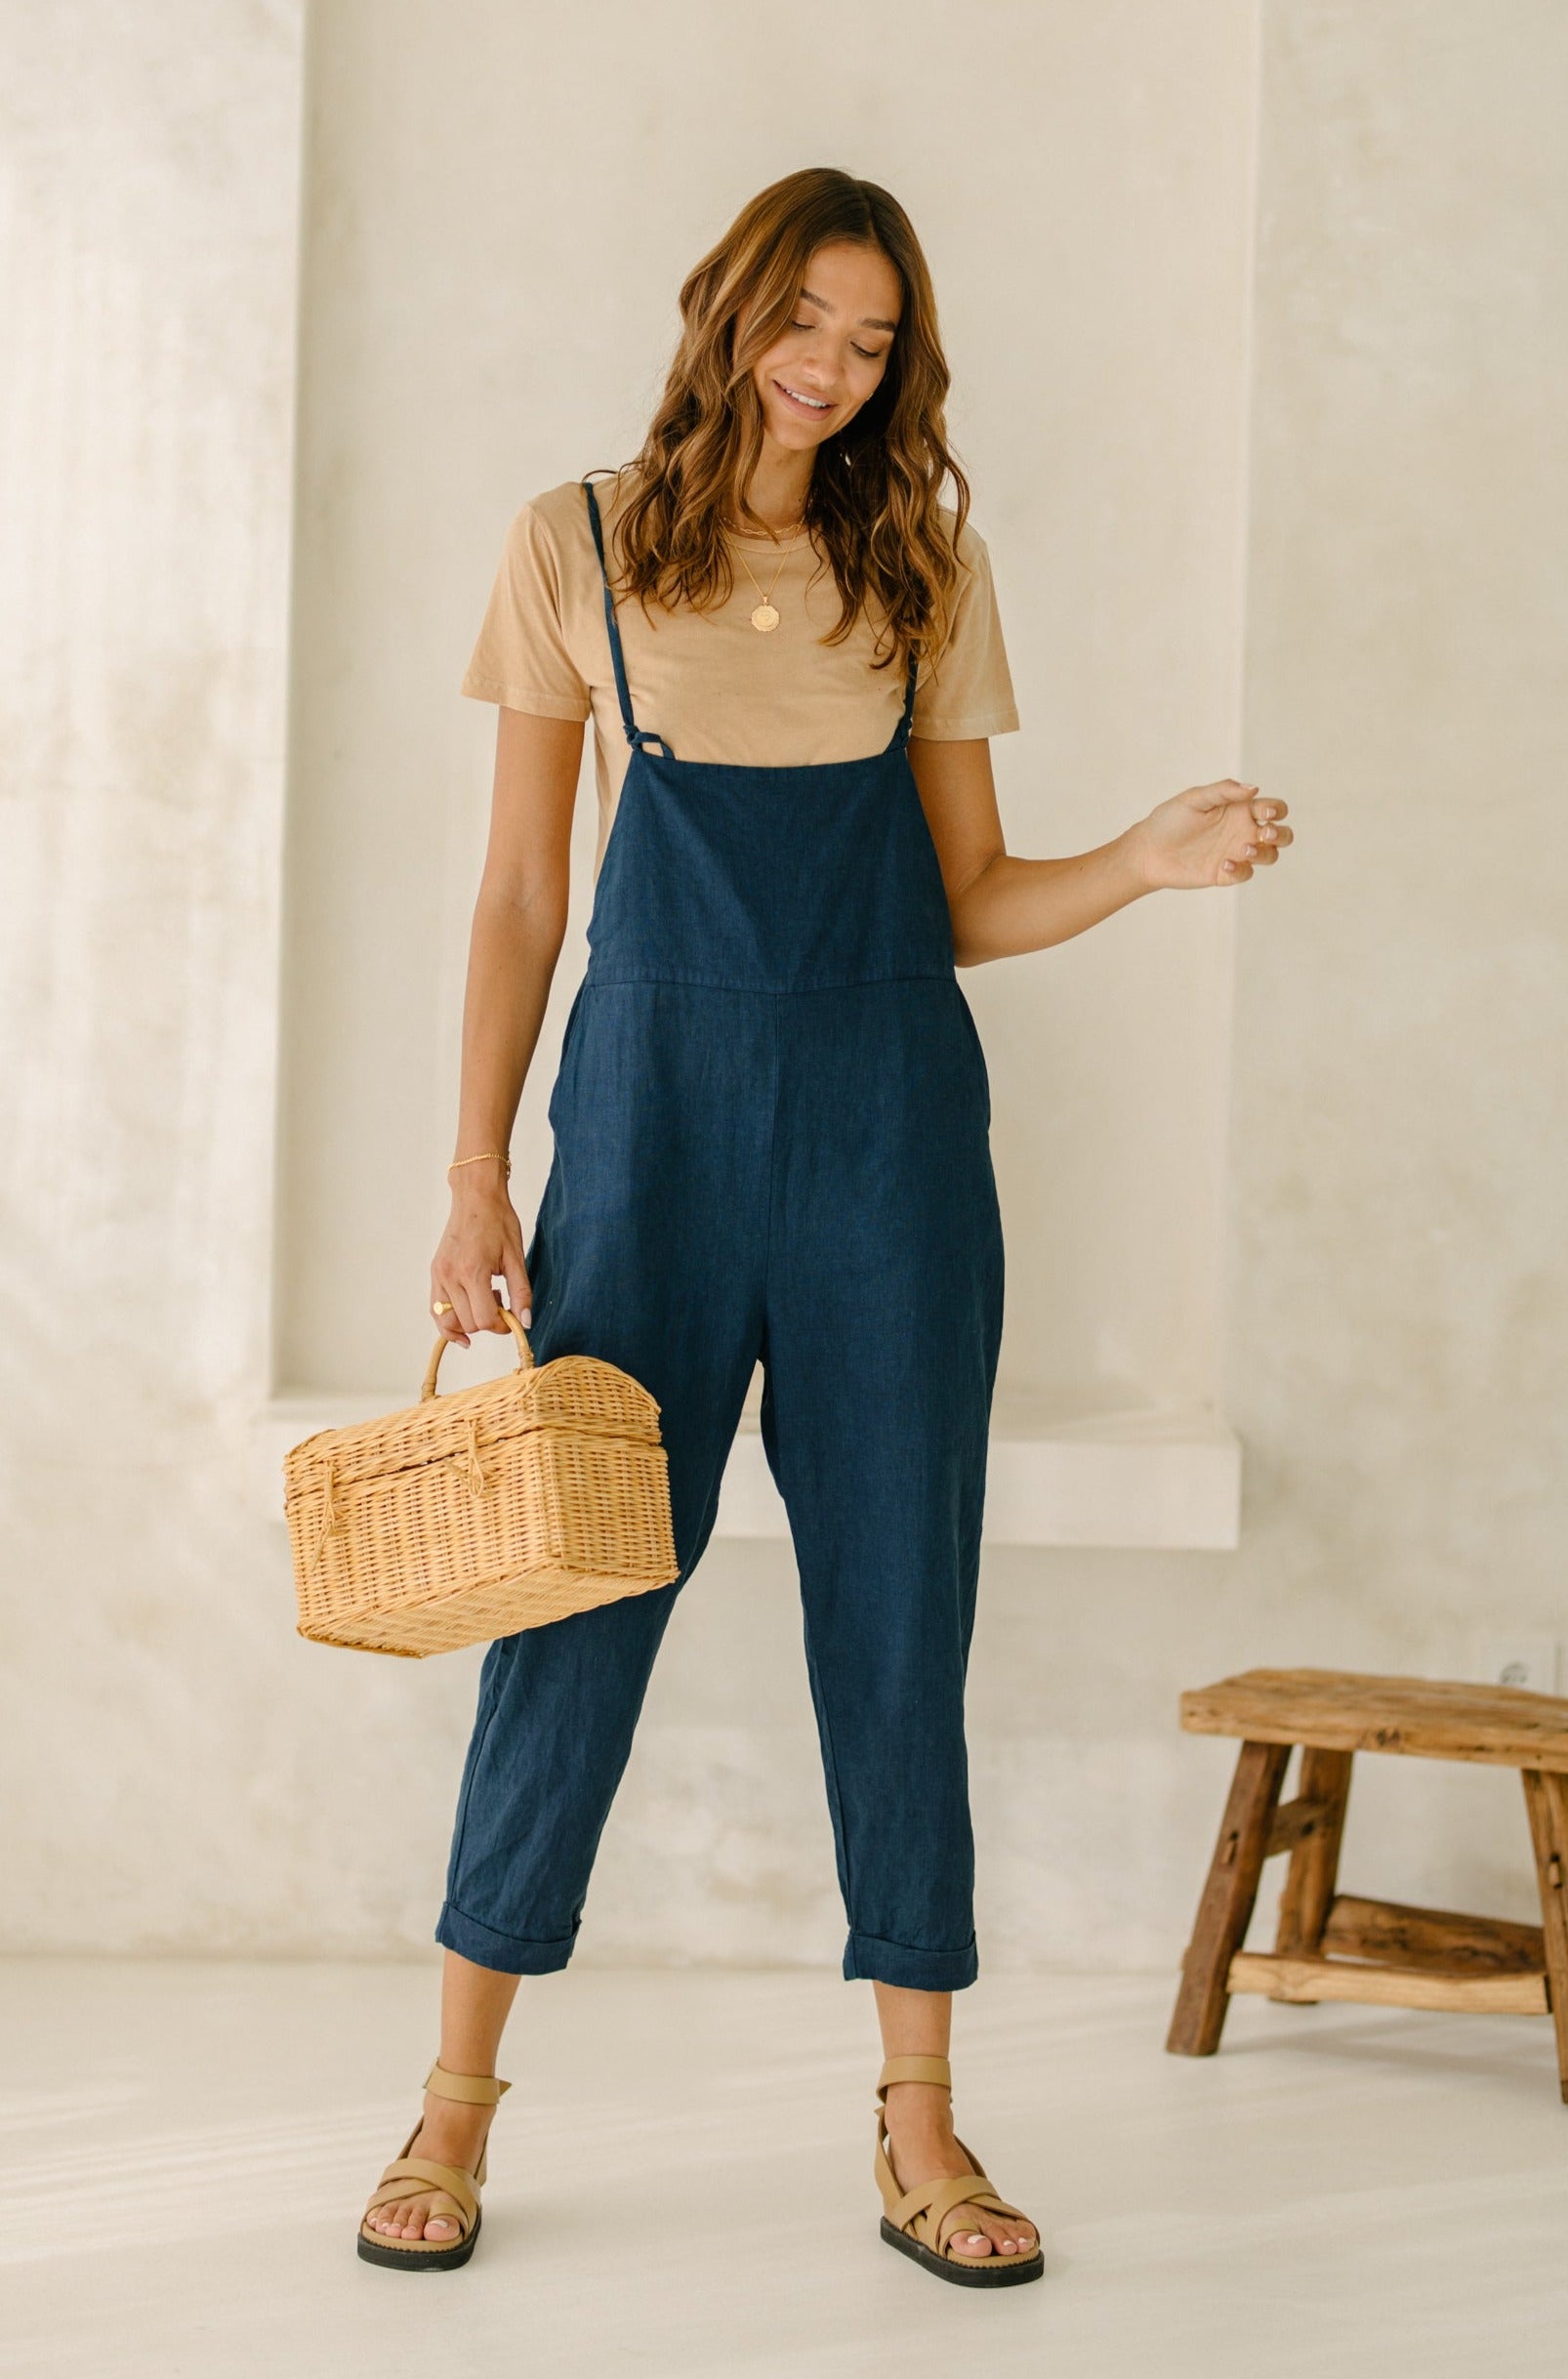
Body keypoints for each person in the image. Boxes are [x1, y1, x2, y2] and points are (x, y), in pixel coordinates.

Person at [356, 166, 1291, 2286]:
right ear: (729, 308)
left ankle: (917, 2126)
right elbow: (523, 891)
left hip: (889, 1146)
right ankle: (451, 2105)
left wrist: (1136, 861)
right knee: (572, 1613)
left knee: (896, 1617)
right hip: (647, 1145)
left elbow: (964, 900)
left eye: (871, 345)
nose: (830, 369)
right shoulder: (573, 543)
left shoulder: (922, 566)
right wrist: (475, 1170)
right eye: (804, 322)